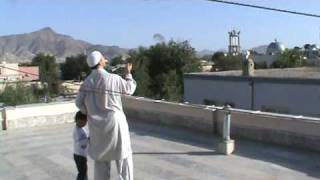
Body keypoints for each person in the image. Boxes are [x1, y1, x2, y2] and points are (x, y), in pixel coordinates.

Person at [76, 51, 136, 180]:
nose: (105, 60)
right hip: (115, 125)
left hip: (97, 128)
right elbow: (129, 89)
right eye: (103, 58)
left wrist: (90, 112)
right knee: (123, 158)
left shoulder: (86, 83)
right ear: (100, 62)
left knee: (101, 162)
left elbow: (78, 103)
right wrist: (128, 73)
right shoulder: (113, 78)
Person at [73, 111, 89, 180]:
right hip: (79, 156)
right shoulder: (76, 131)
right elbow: (80, 143)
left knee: (84, 172)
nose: (82, 124)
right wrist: (88, 139)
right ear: (76, 120)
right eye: (81, 122)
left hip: (82, 155)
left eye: (84, 122)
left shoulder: (81, 129)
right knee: (82, 172)